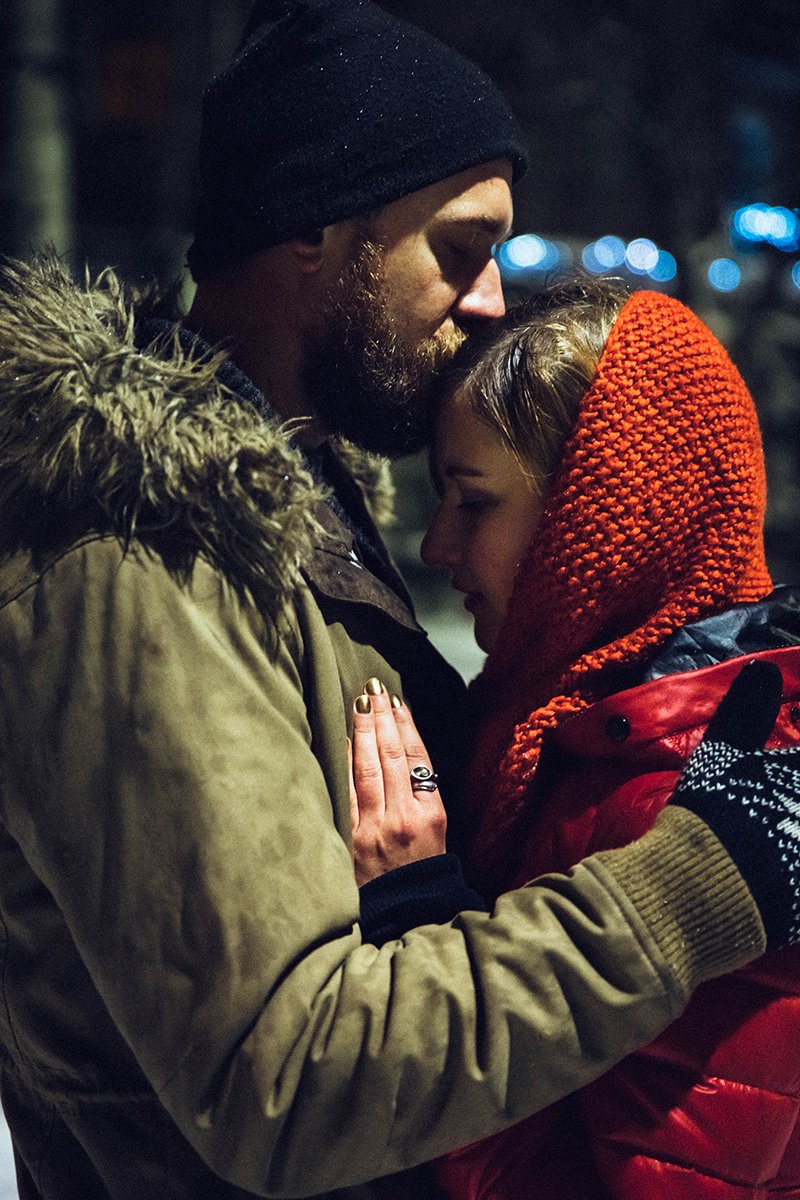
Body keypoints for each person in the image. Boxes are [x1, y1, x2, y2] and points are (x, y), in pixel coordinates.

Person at [0, 1, 798, 1197]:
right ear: (317, 229)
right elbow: (288, 1084)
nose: (488, 300)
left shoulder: (284, 501)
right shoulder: (135, 554)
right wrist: (684, 891)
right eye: (461, 249)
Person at [349, 278, 800, 1197]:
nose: (437, 545)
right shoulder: (580, 737)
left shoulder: (688, 799)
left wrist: (423, 931)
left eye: (474, 502)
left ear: (602, 518)